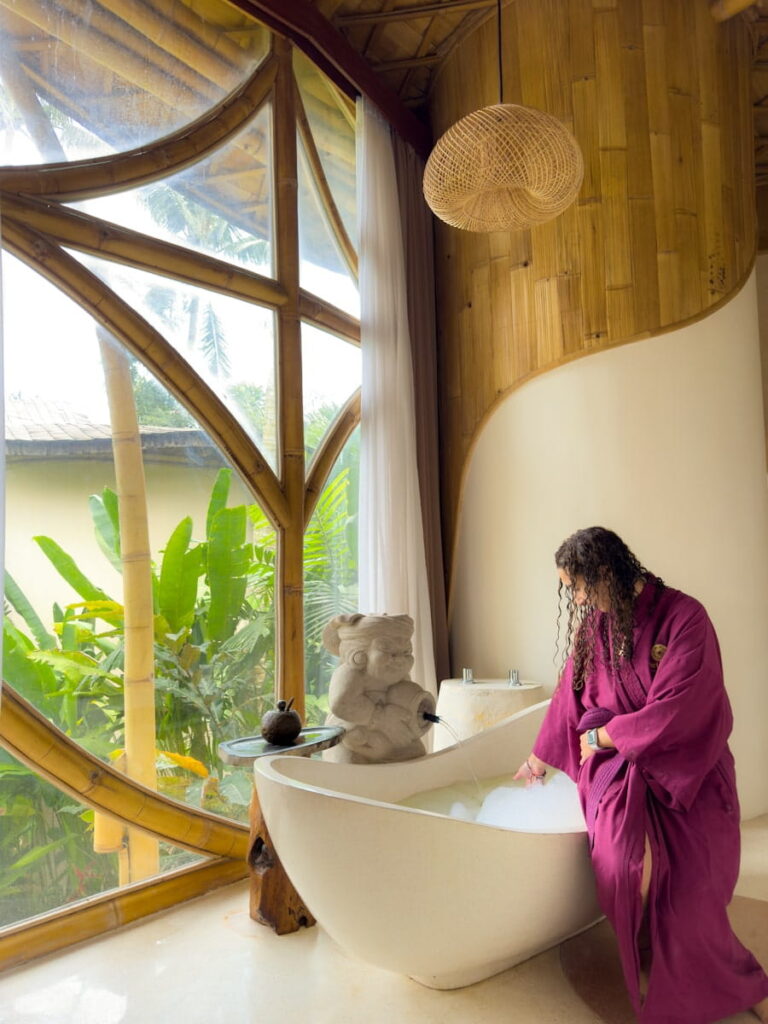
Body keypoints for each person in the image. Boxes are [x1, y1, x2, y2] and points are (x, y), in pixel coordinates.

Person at [514, 527, 768, 1024]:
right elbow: (569, 696)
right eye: (571, 589)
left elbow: (683, 706)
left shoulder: (685, 617)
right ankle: (648, 946)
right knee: (620, 865)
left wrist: (604, 736)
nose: (578, 598)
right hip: (614, 770)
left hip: (689, 768)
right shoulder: (594, 628)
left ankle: (725, 977)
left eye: (581, 586)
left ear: (607, 572)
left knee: (694, 887)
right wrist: (538, 759)